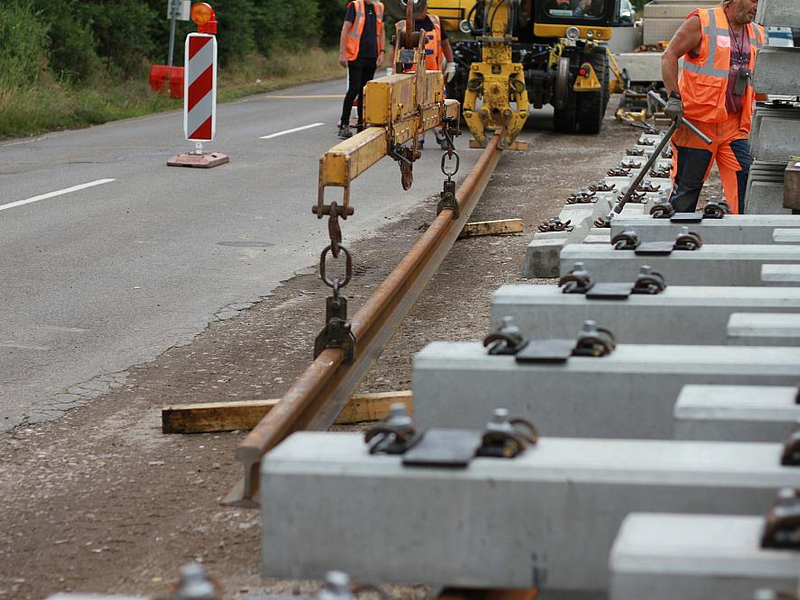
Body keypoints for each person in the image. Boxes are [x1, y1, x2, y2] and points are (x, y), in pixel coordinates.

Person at [661, 0, 764, 214]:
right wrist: (673, 97)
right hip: (697, 125)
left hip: (735, 126)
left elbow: (759, 79)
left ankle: (742, 237)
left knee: (746, 179)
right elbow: (669, 55)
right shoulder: (703, 22)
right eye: (754, 0)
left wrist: (768, 109)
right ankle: (677, 239)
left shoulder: (757, 33)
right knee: (686, 190)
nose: (757, 6)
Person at [391, 7, 455, 148]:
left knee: (438, 105)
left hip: (434, 76)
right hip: (412, 76)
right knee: (415, 107)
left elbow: (445, 43)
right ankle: (418, 137)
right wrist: (392, 68)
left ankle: (441, 134)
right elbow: (394, 48)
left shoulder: (435, 22)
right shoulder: (403, 25)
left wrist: (451, 63)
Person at [338, 0, 386, 139]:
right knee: (354, 89)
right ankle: (344, 124)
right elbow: (345, 29)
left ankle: (361, 124)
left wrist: (382, 51)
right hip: (356, 55)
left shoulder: (379, 7)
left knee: (365, 92)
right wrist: (342, 53)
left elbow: (382, 31)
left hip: (372, 55)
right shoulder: (355, 6)